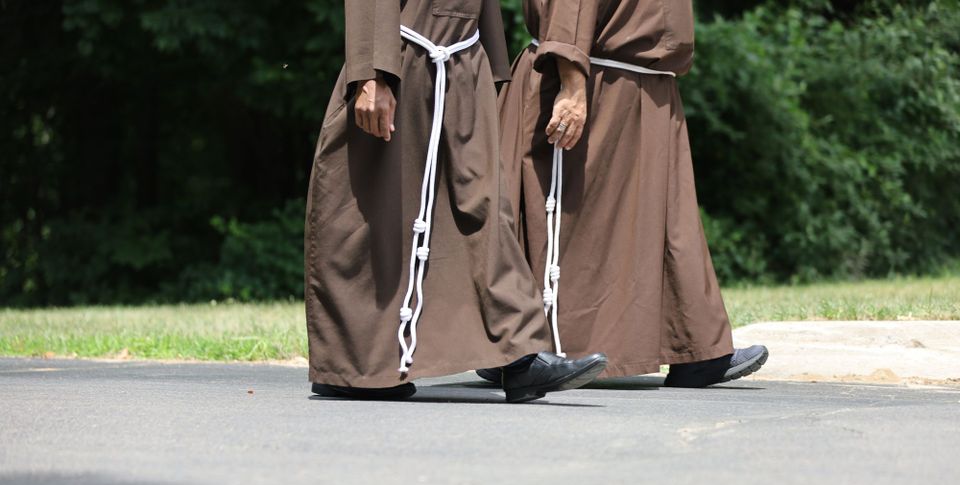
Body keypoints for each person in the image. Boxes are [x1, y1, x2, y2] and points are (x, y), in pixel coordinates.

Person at [304, 0, 608, 402]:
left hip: (465, 61)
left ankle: (517, 356)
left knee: (484, 207)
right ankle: (352, 365)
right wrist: (369, 73)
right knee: (373, 215)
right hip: (398, 59)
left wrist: (487, 60)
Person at [485, 0, 768, 388]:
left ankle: (697, 349)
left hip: (644, 85)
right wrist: (571, 83)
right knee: (571, 221)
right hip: (596, 80)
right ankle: (517, 350)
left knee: (669, 217)